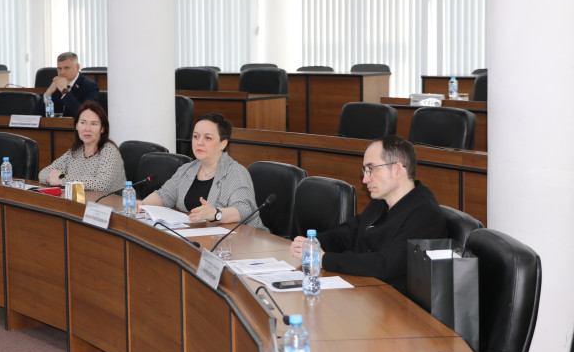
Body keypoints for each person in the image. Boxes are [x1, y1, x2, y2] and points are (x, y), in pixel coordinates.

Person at [290, 135, 446, 294]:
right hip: (367, 292)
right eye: (365, 170)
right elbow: (346, 234)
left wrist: (324, 259)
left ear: (398, 170)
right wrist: (313, 244)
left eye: (371, 169)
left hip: (394, 302)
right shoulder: (380, 202)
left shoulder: (425, 215)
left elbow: (384, 265)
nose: (365, 179)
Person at [138, 113, 266, 230]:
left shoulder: (236, 173)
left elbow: (244, 210)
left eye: (208, 138)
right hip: (198, 233)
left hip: (242, 239)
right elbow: (164, 195)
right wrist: (142, 205)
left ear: (223, 144)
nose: (199, 142)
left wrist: (215, 214)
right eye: (196, 136)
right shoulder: (187, 169)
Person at [38, 101, 125, 192]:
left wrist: (62, 179)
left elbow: (102, 184)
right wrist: (55, 178)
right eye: (83, 123)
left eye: (94, 124)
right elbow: (43, 174)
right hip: (81, 200)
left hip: (107, 201)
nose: (87, 129)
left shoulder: (109, 151)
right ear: (76, 126)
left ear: (102, 128)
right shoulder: (75, 151)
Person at [32, 52, 99, 117]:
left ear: (77, 67)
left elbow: (86, 115)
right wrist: (48, 93)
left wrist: (64, 91)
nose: (62, 72)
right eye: (59, 68)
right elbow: (35, 116)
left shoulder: (90, 86)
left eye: (66, 68)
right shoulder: (55, 84)